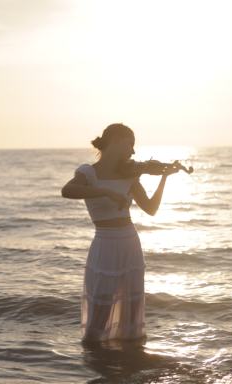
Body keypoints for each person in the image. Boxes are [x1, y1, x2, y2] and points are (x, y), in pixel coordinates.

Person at [61, 123, 179, 342]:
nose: (133, 152)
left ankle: (132, 356)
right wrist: (105, 192)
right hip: (104, 244)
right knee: (102, 303)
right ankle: (94, 355)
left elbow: (151, 208)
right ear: (116, 140)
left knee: (132, 307)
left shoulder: (130, 175)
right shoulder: (88, 172)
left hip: (130, 243)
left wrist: (164, 178)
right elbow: (67, 191)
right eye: (130, 145)